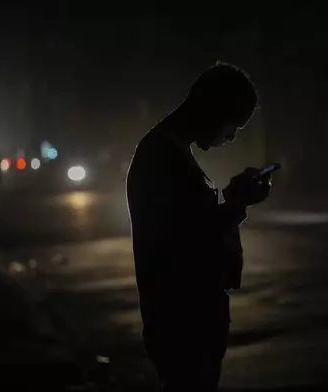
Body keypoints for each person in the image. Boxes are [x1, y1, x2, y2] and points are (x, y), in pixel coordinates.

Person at [126, 62, 271, 391]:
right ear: (214, 110)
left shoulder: (170, 153)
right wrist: (236, 203)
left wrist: (233, 198)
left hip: (189, 318)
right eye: (232, 125)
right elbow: (182, 240)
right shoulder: (161, 157)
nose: (231, 137)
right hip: (182, 321)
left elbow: (191, 221)